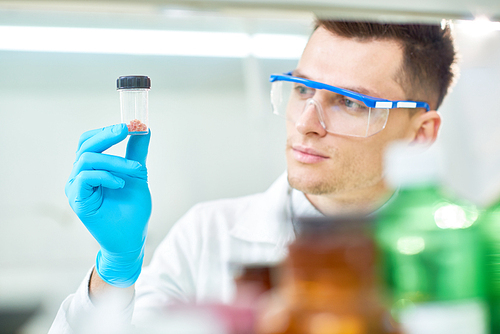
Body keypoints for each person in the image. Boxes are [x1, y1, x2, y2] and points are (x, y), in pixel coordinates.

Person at [49, 18, 456, 332]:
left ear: (421, 134)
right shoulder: (206, 237)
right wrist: (114, 271)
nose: (306, 123)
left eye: (351, 103)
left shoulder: (462, 253)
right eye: (301, 89)